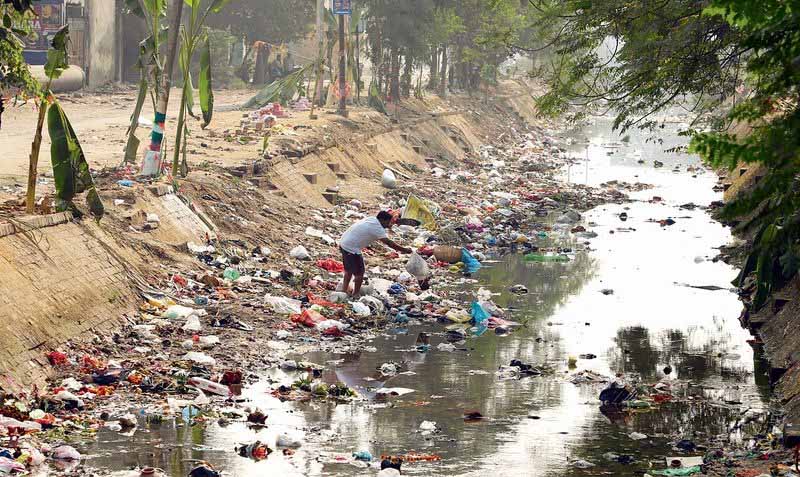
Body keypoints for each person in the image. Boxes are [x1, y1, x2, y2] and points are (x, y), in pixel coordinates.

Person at [339, 210, 411, 296]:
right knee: (359, 273)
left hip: (344, 243)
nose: (388, 224)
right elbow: (389, 243)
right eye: (388, 222)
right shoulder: (377, 228)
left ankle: (344, 291)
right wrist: (405, 250)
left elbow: (384, 230)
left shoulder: (372, 219)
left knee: (349, 270)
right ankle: (355, 294)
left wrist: (390, 226)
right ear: (383, 220)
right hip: (351, 248)